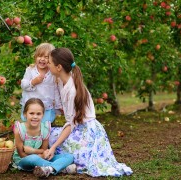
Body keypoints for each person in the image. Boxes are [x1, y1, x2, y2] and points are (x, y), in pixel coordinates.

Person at [46, 48, 133, 177]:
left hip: (86, 132)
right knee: (49, 135)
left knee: (53, 141)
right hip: (80, 128)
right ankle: (68, 162)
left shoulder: (73, 91)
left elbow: (71, 125)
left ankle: (68, 163)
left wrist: (53, 148)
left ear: (58, 67)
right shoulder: (63, 79)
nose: (47, 64)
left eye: (49, 62)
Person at [13, 98, 76, 178]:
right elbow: (21, 154)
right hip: (24, 161)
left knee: (69, 156)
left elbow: (44, 150)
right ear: (25, 114)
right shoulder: (19, 130)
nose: (35, 117)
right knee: (33, 158)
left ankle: (49, 169)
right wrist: (40, 156)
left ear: (43, 115)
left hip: (41, 157)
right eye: (31, 113)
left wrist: (33, 151)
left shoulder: (45, 129)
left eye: (38, 114)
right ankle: (62, 168)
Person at [20, 43, 62, 123]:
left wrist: (58, 105)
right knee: (30, 124)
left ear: (52, 60)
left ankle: (44, 135)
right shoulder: (30, 70)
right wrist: (33, 82)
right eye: (40, 56)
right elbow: (23, 85)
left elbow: (56, 90)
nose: (42, 59)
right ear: (35, 57)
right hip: (31, 105)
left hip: (46, 106)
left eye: (46, 57)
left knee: (44, 126)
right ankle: (29, 134)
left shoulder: (52, 73)